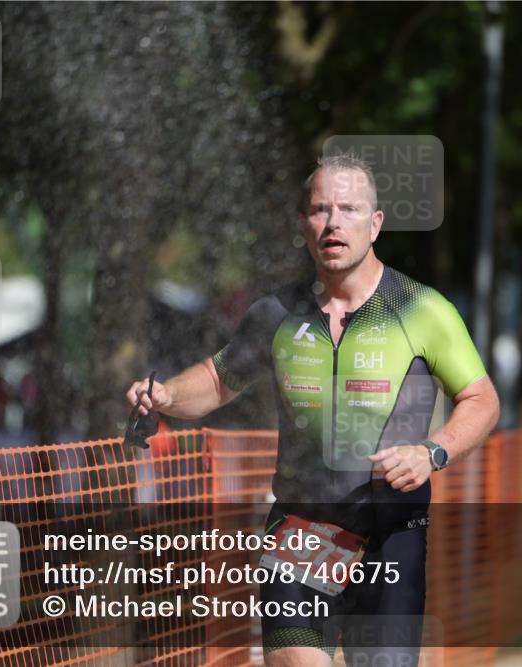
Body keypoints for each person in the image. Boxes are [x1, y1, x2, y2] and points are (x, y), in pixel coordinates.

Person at [126, 153, 500, 667]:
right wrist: (167, 395)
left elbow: (482, 400)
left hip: (390, 535)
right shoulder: (276, 314)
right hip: (300, 529)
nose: (333, 223)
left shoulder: (422, 308)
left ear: (375, 224)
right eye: (321, 209)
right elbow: (217, 380)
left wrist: (432, 452)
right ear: (302, 224)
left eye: (349, 209)